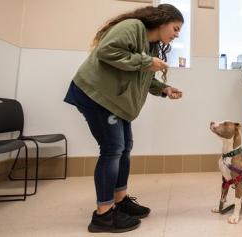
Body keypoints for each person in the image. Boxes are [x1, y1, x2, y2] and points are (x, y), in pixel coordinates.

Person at [63, 4, 184, 233]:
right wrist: (147, 62)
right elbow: (106, 51)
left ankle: (119, 202)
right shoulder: (133, 26)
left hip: (115, 103)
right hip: (96, 96)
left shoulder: (152, 47)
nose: (176, 35)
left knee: (124, 147)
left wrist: (164, 89)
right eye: (176, 28)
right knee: (113, 149)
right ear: (162, 21)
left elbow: (143, 77)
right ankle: (104, 216)